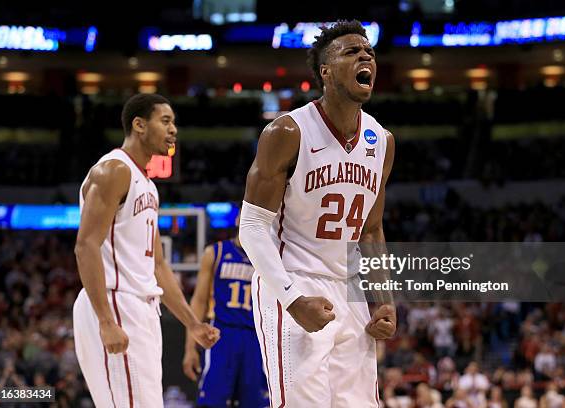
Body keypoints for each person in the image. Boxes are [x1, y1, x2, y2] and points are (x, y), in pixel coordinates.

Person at [239, 20, 396, 406]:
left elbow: (372, 231)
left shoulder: (383, 141)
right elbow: (252, 226)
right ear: (325, 71)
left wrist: (385, 298)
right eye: (352, 52)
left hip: (351, 288)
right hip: (293, 280)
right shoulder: (288, 131)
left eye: (369, 53)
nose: (366, 57)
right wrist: (292, 299)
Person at [73, 93, 220, 408]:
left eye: (174, 123)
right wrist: (105, 320)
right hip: (116, 302)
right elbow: (85, 245)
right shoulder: (113, 170)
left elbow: (159, 268)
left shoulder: (149, 186)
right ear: (139, 125)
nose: (173, 130)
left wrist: (192, 323)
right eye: (165, 121)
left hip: (142, 309)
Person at [182, 220, 269, 408]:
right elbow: (199, 300)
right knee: (213, 402)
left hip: (256, 337)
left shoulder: (269, 258)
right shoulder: (216, 252)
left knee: (256, 402)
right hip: (221, 334)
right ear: (239, 219)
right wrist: (190, 348)